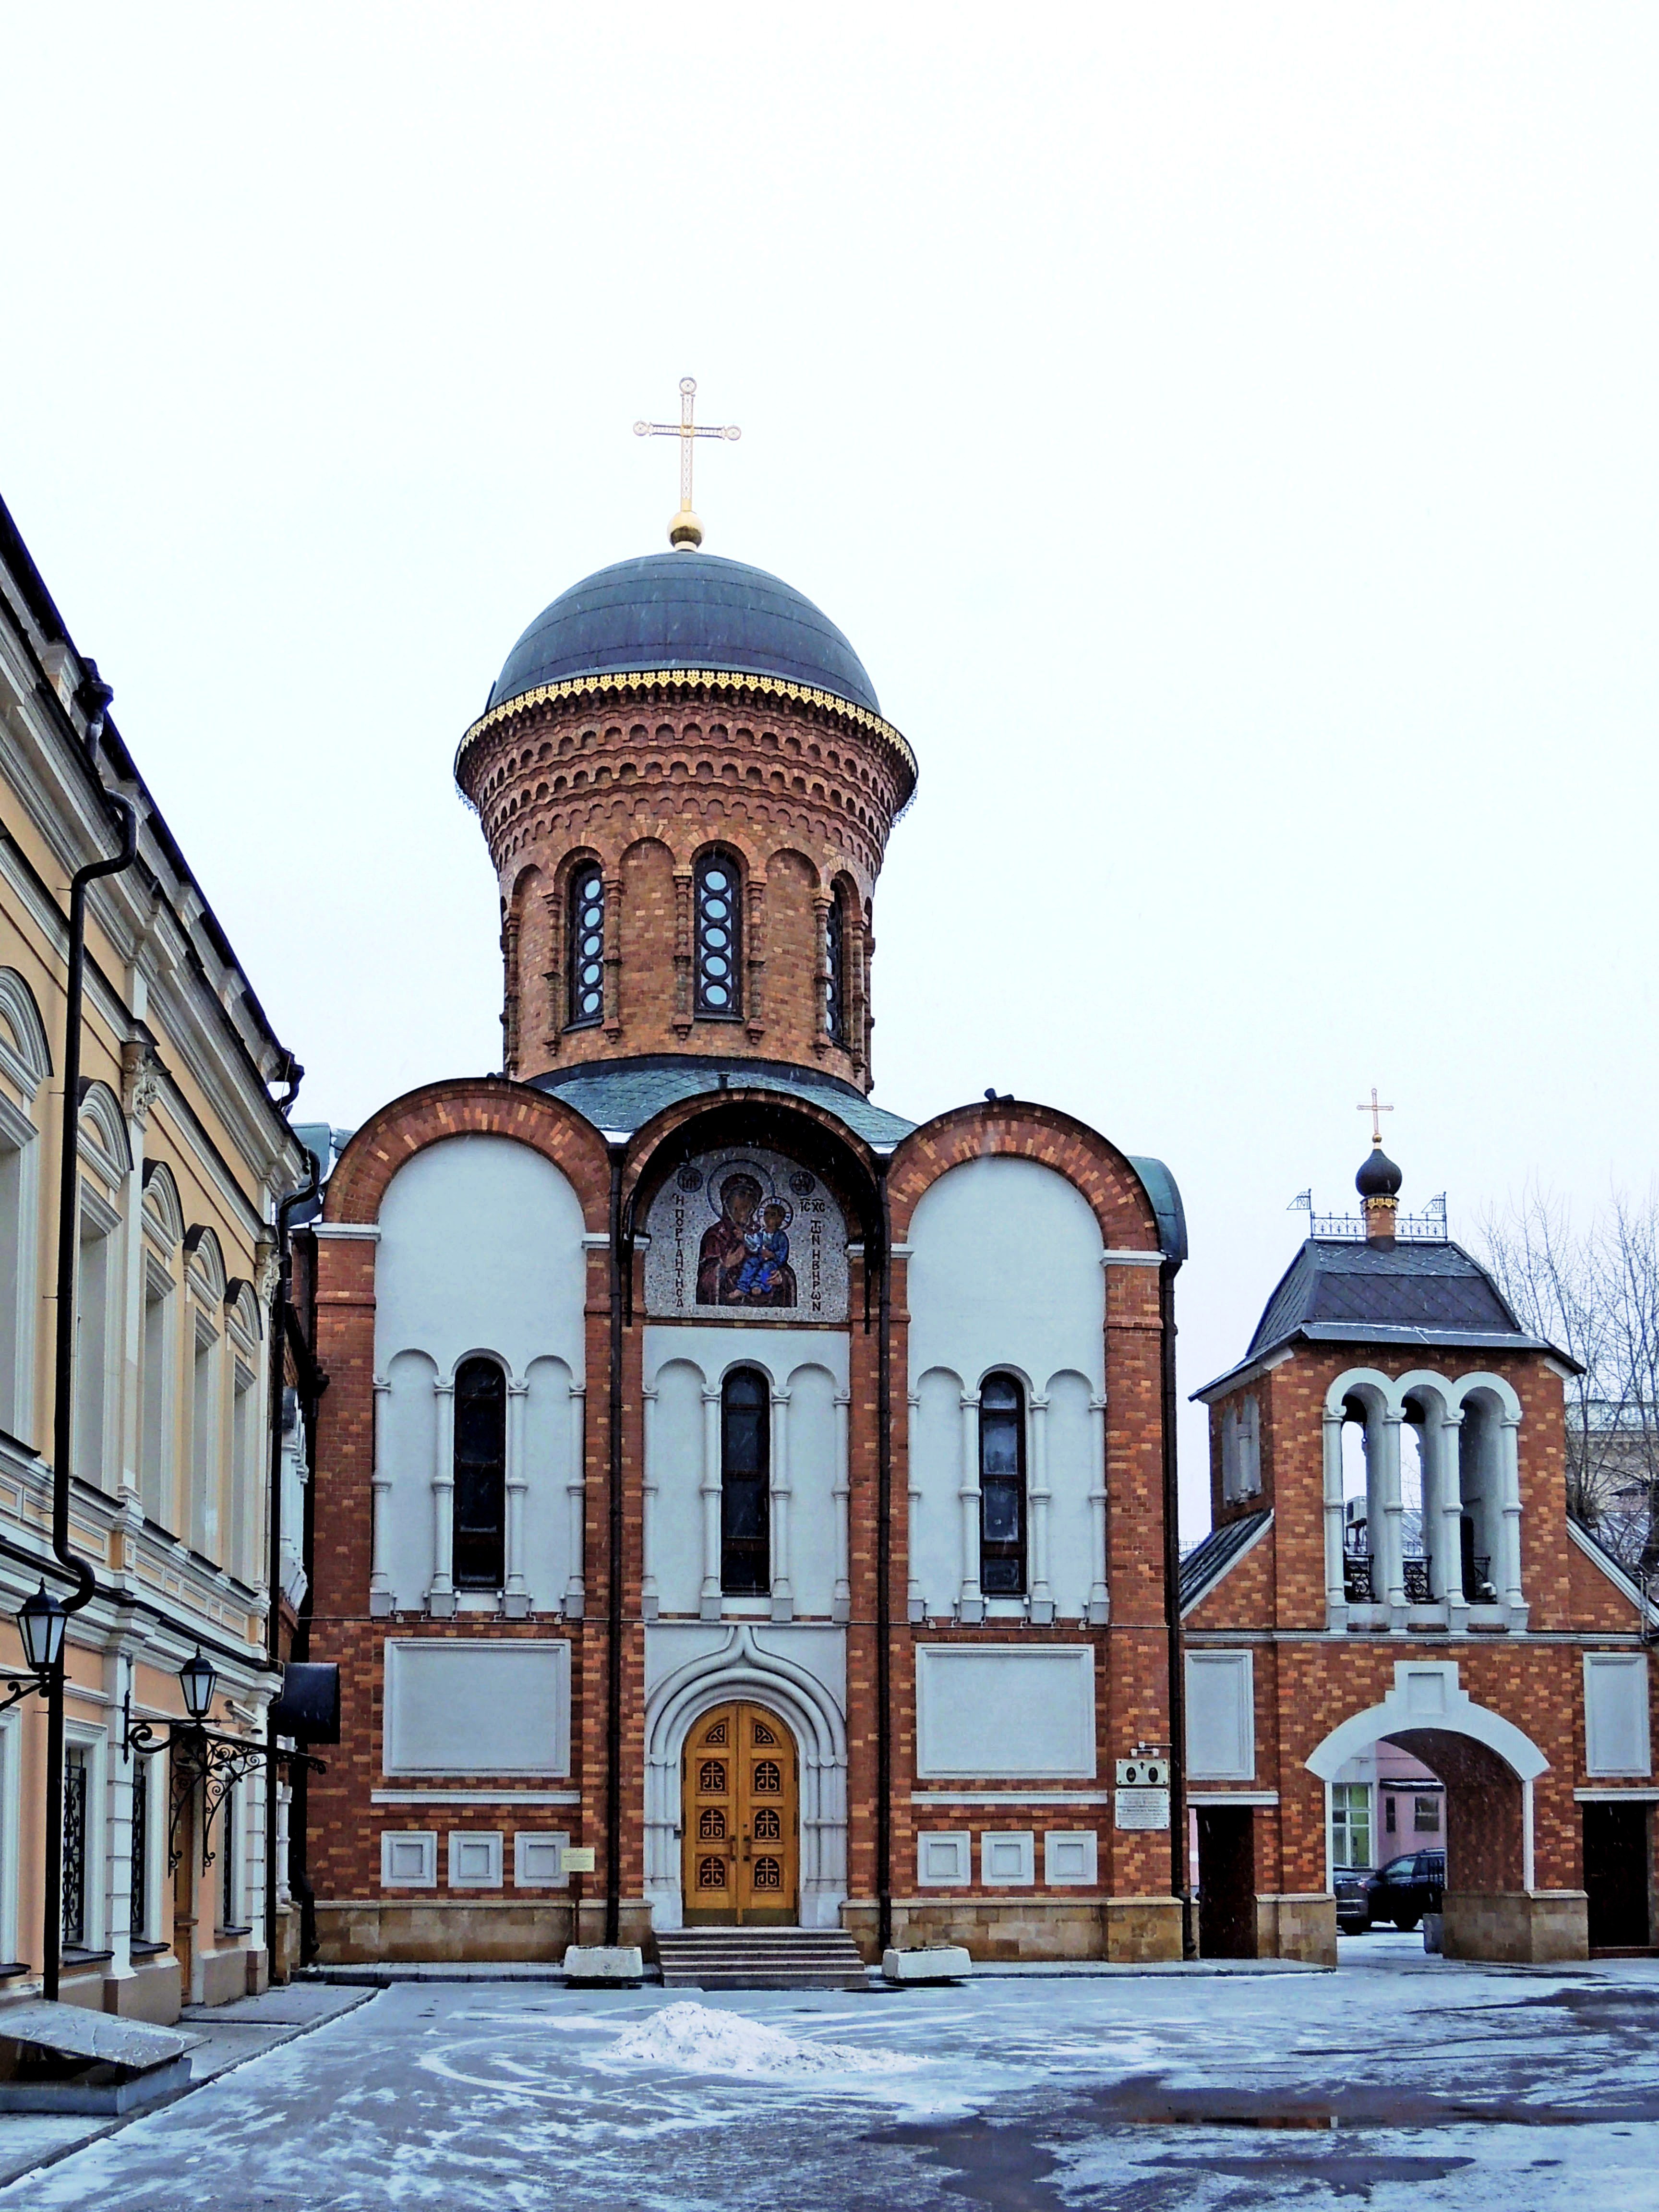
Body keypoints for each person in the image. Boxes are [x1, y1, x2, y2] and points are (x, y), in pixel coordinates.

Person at [733, 1201, 790, 1299]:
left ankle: (760, 1286)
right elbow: (753, 1242)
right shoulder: (761, 1233)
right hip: (760, 1258)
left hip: (773, 1261)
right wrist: (743, 1237)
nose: (768, 1218)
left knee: (767, 1268)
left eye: (772, 1215)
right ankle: (742, 1288)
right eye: (766, 1214)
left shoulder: (781, 1237)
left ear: (780, 1219)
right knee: (750, 1263)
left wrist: (773, 1255)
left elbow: (783, 1254)